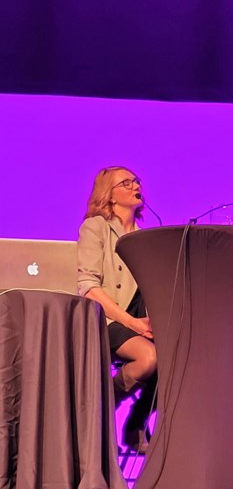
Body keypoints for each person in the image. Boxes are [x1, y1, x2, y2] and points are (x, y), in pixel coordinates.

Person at [77, 166, 157, 452]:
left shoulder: (145, 236)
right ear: (109, 196)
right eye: (126, 182)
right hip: (107, 320)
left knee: (183, 360)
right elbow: (88, 285)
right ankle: (101, 406)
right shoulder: (95, 227)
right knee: (149, 359)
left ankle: (136, 423)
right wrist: (131, 322)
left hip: (141, 321)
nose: (135, 185)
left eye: (136, 180)